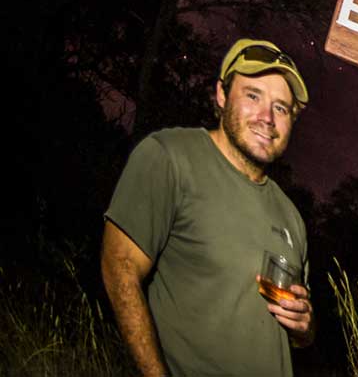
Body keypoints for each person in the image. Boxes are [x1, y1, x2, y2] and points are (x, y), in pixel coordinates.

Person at [102, 38, 315, 377]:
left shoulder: (292, 216)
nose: (267, 118)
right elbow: (119, 268)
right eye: (253, 95)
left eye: (281, 108)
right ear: (221, 94)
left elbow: (292, 334)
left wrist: (303, 329)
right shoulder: (169, 156)